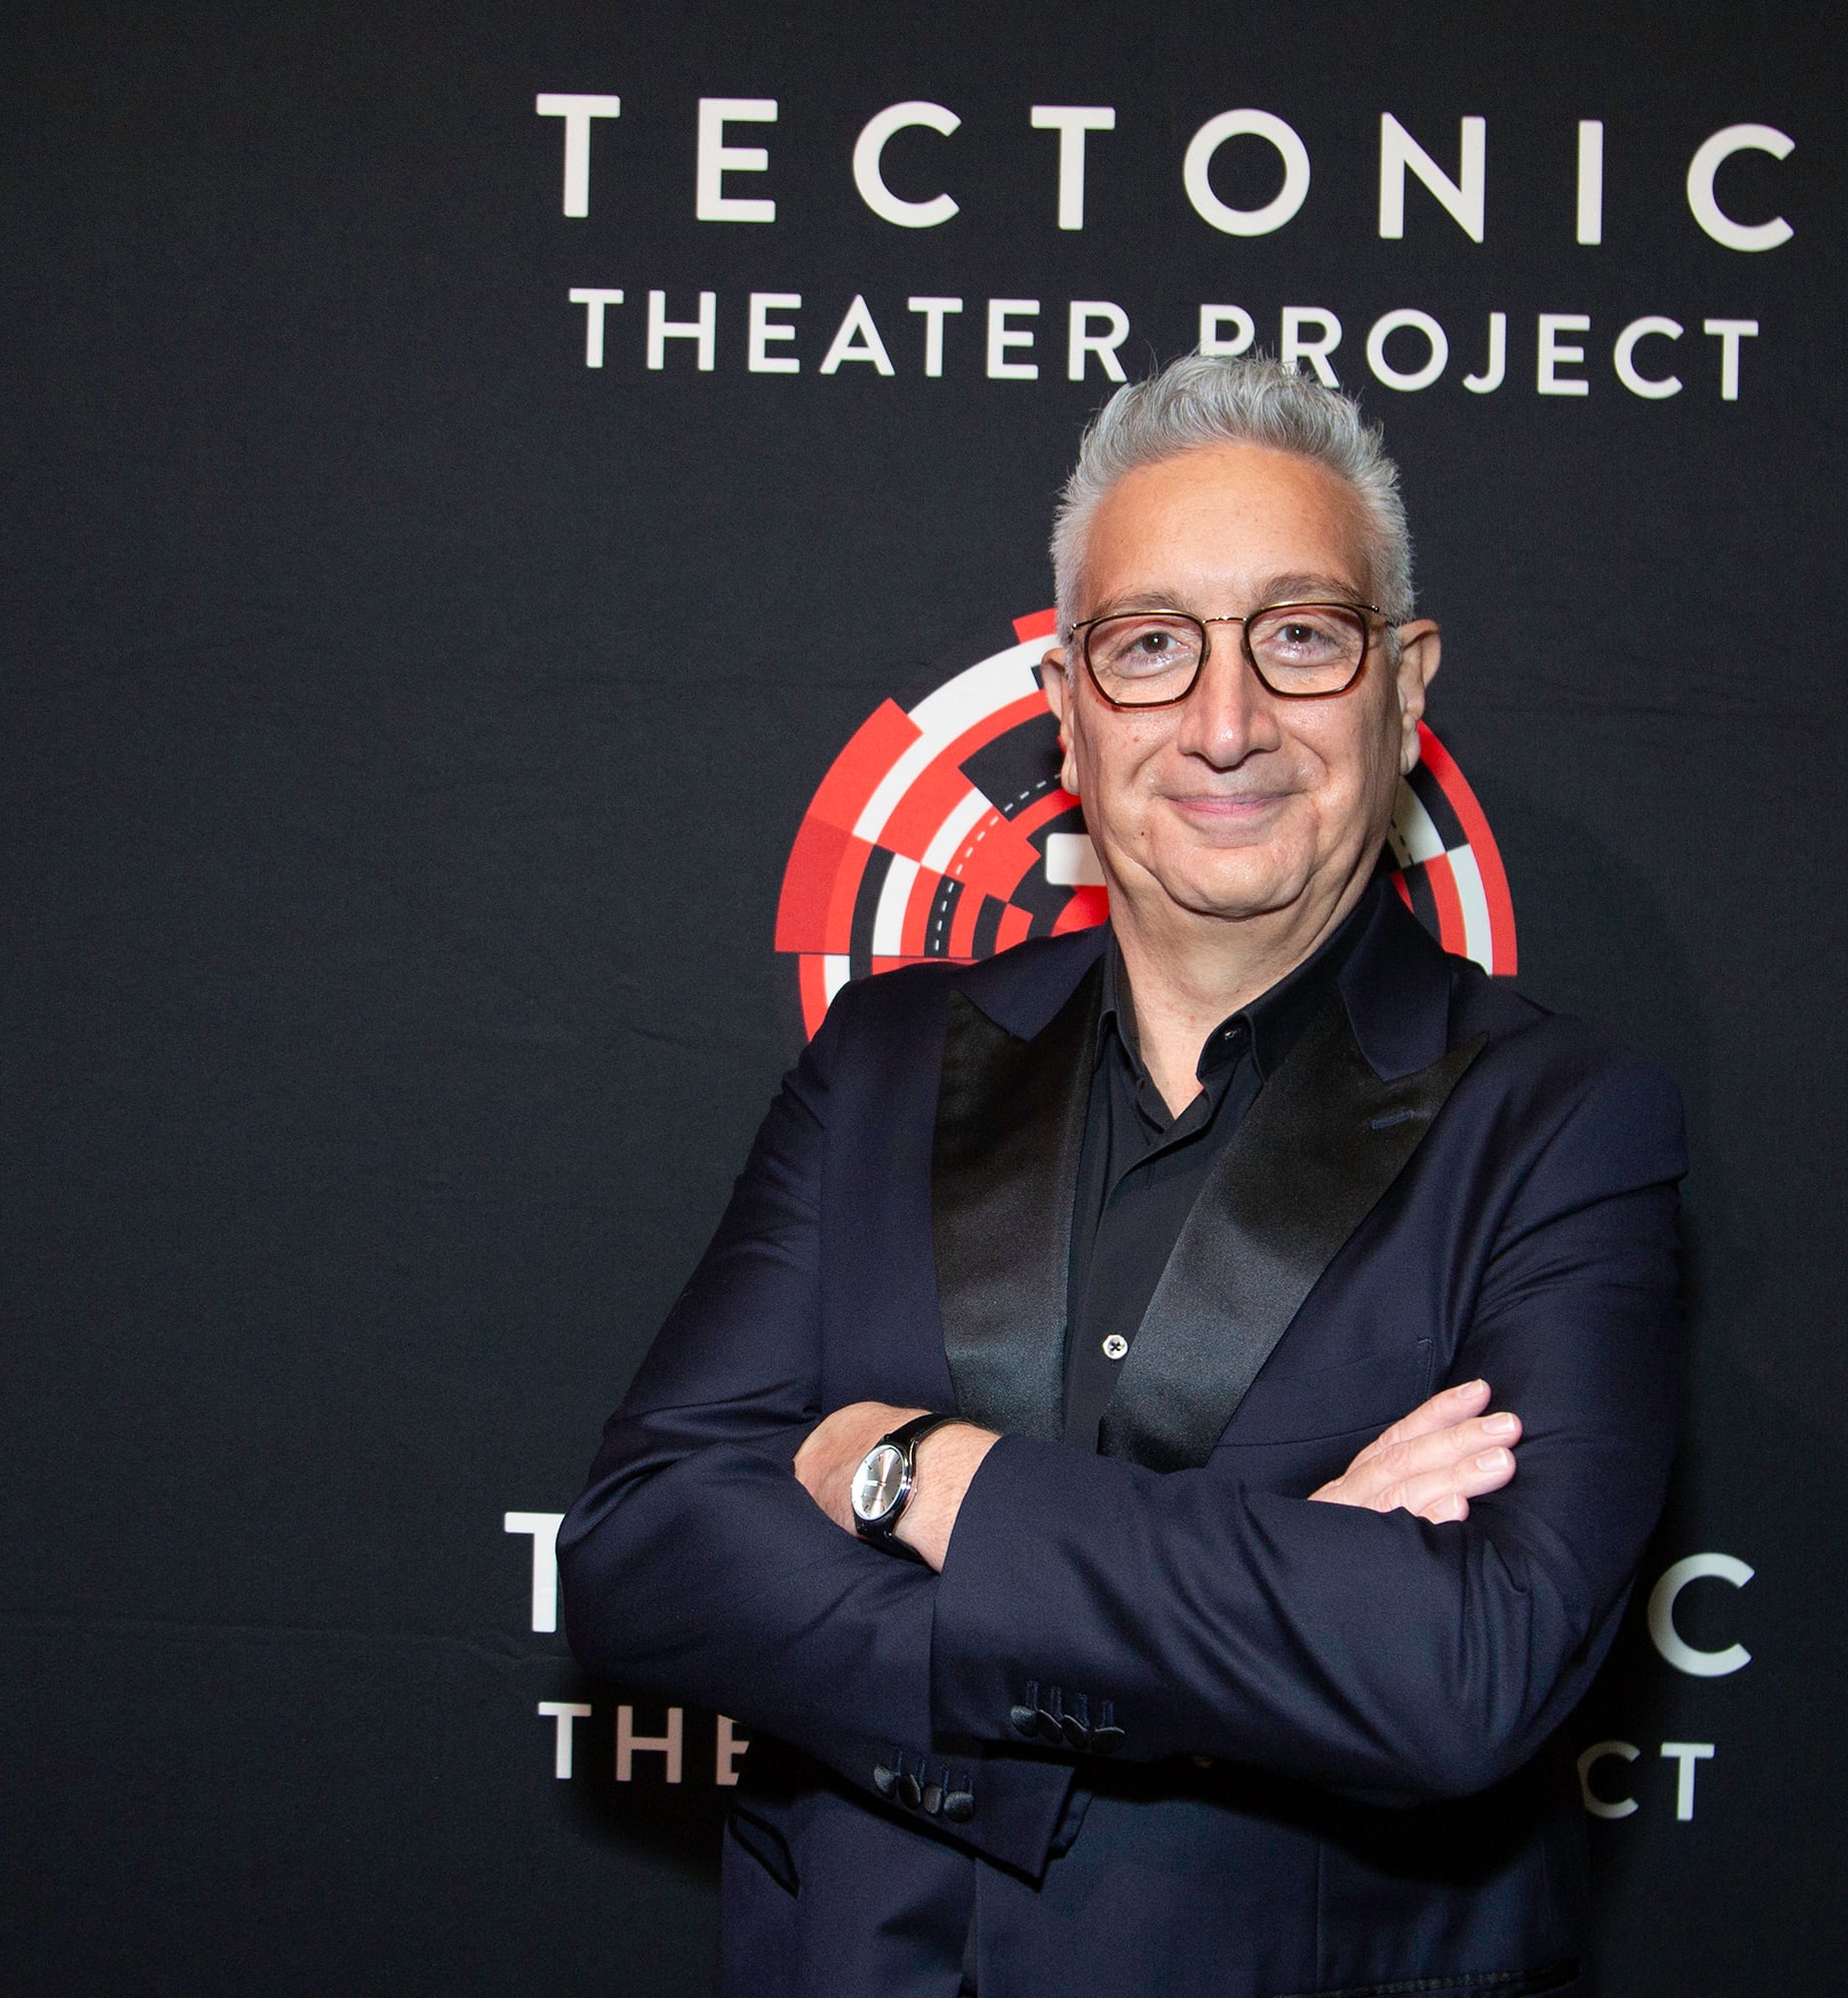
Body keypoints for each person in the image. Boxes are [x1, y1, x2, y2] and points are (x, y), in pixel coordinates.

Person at [558, 355, 1684, 1997]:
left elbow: (1463, 1671)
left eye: (1299, 636)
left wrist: (917, 1477)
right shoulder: (880, 1062)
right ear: (1070, 711)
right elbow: (644, 1551)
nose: (1227, 722)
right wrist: (1267, 1579)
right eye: (1151, 647)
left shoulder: (1560, 1122)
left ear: (1404, 682)